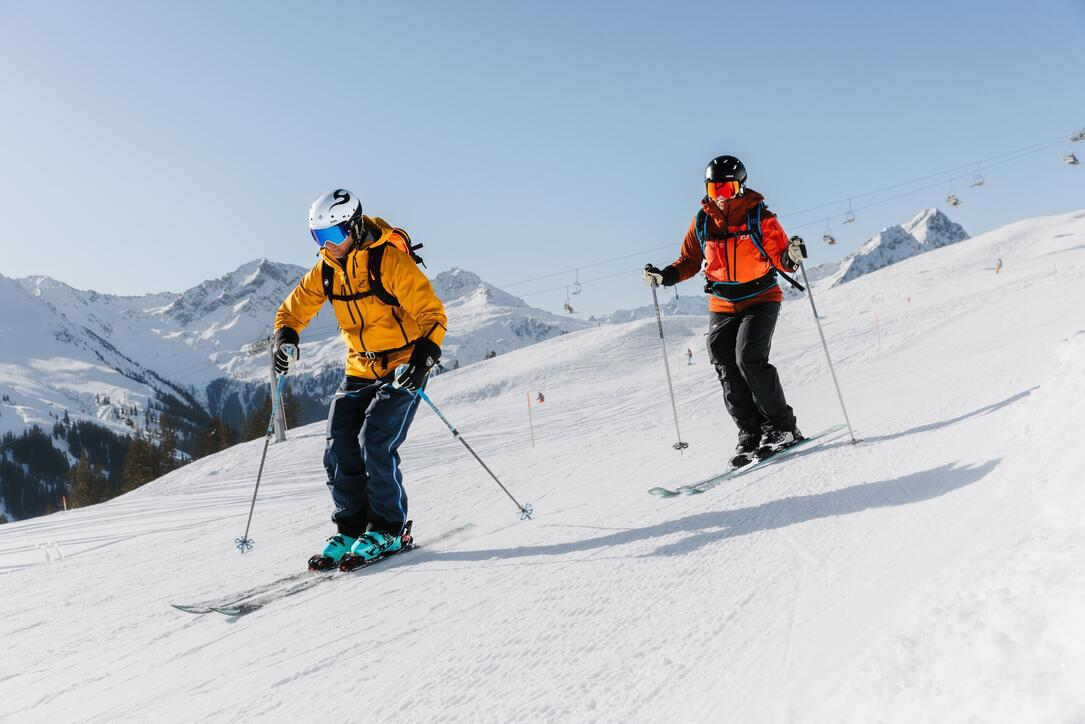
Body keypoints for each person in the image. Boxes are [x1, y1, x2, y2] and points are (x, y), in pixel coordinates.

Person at [273, 189, 447, 570]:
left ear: (353, 226)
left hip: (402, 365)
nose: (327, 246)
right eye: (318, 239)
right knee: (338, 444)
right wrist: (285, 337)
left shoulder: (389, 263)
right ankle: (351, 528)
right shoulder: (326, 271)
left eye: (333, 237)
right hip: (359, 368)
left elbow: (432, 314)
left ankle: (387, 527)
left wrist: (423, 358)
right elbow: (291, 311)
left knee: (376, 440)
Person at [644, 155, 806, 464]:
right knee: (723, 360)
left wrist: (794, 257)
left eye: (726, 187)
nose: (719, 194)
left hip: (760, 296)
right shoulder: (703, 220)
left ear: (740, 187)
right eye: (713, 187)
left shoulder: (760, 217)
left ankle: (783, 428)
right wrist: (664, 276)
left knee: (749, 358)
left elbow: (781, 257)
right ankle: (751, 432)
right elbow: (689, 260)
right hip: (722, 301)